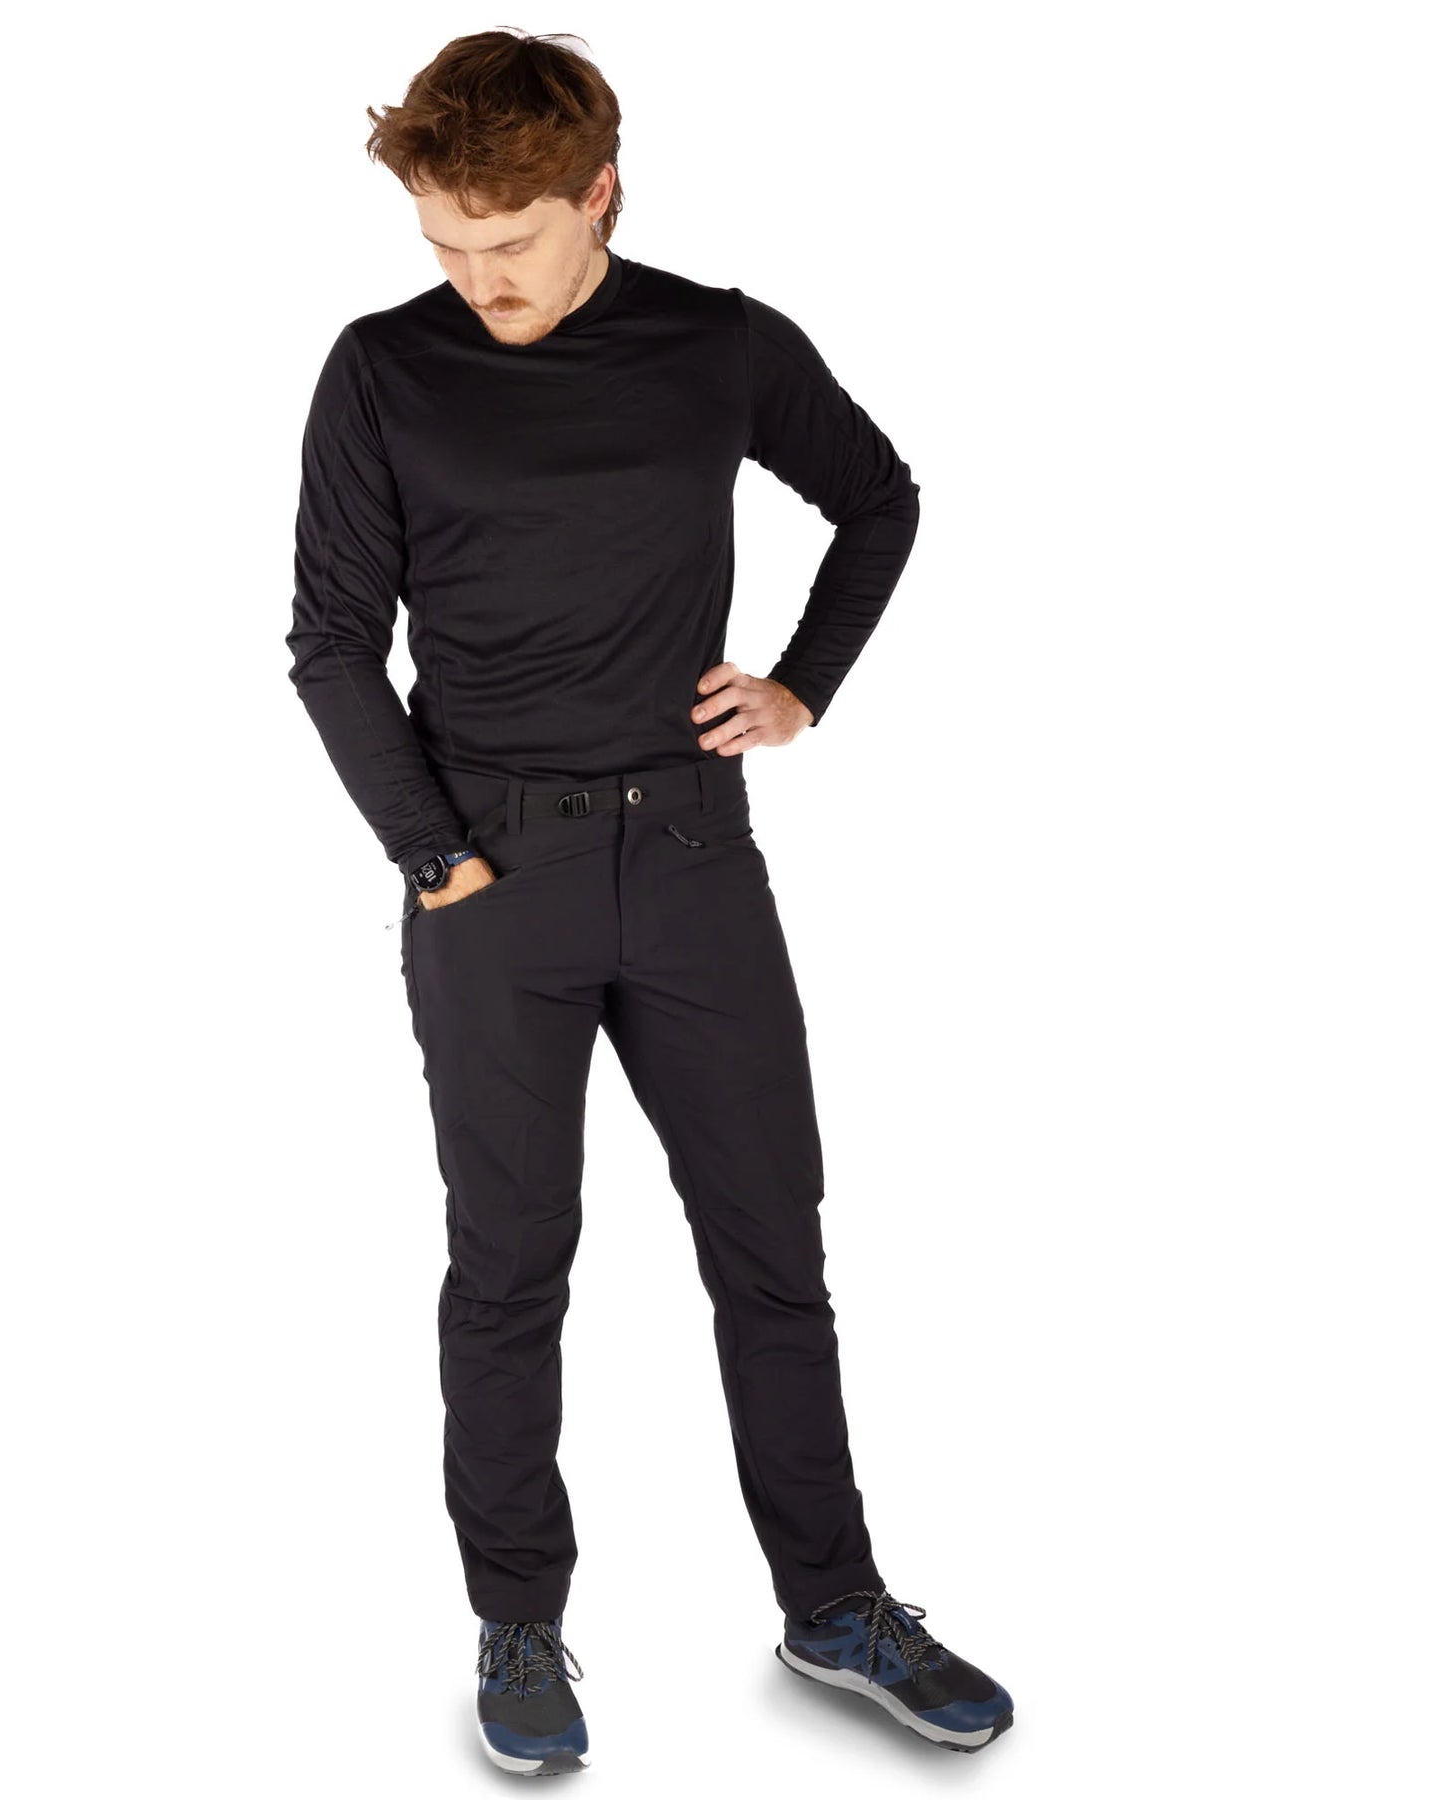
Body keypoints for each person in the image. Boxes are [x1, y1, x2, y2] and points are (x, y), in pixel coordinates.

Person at [285, 29, 1013, 1771]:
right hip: (491, 880)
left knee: (773, 1249)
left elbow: (879, 498)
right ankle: (518, 1623)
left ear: (600, 191)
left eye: (510, 241)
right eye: (444, 244)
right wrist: (437, 858)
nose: (478, 280)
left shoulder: (719, 345)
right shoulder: (383, 370)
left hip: (695, 862)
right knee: (510, 1264)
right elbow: (331, 644)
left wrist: (803, 687)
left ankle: (835, 1605)